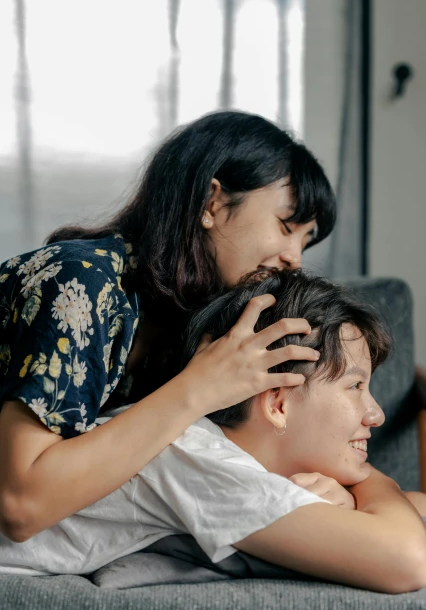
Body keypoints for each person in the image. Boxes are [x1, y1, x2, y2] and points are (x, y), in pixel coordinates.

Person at [0, 270, 426, 593]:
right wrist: (371, 482)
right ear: (277, 402)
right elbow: (408, 561)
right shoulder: (201, 460)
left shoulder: (210, 452)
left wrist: (353, 497)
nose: (375, 414)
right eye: (356, 386)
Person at [0, 110, 335, 543]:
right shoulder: (79, 281)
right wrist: (199, 388)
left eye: (305, 241)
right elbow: (21, 505)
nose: (295, 258)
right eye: (286, 227)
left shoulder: (194, 328)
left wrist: (321, 493)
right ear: (211, 203)